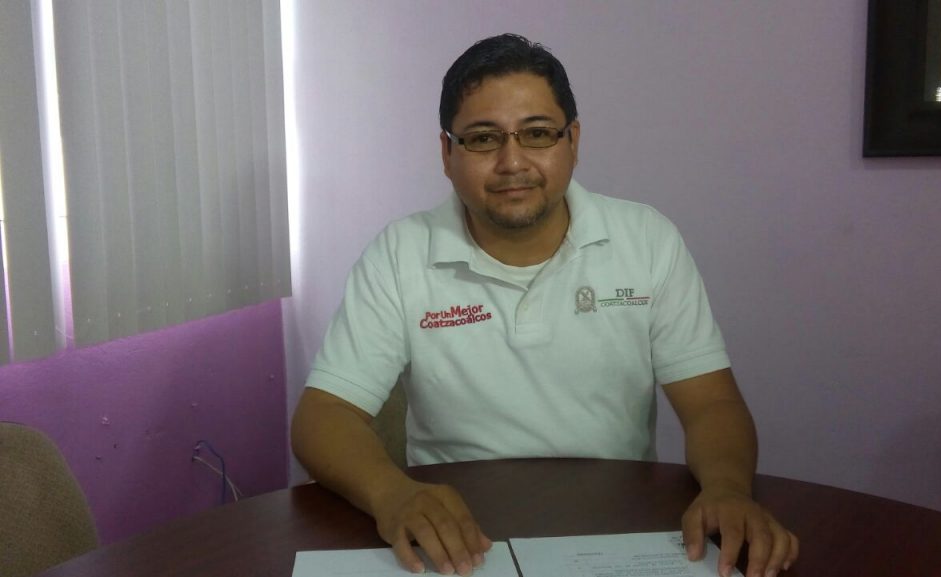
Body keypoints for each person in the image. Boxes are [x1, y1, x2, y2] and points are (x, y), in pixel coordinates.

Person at [292, 33, 798, 577]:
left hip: (618, 529)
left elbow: (711, 405)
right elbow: (323, 417)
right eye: (483, 139)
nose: (512, 162)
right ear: (447, 153)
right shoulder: (400, 253)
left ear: (572, 141)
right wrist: (393, 494)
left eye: (537, 134)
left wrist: (727, 490)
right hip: (459, 537)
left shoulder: (647, 240)